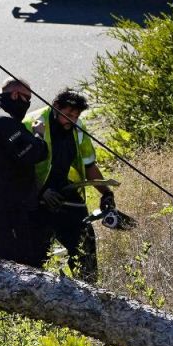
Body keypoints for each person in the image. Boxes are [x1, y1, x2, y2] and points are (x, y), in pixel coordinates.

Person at [25, 89, 113, 282]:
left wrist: (106, 192)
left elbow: (89, 164)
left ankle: (89, 289)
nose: (71, 120)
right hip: (35, 200)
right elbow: (18, 170)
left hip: (65, 192)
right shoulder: (33, 125)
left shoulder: (78, 128)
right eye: (68, 114)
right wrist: (40, 191)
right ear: (56, 108)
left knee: (85, 243)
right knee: (35, 259)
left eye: (76, 116)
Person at [0, 79, 48, 267]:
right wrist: (39, 135)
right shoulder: (4, 121)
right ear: (15, 95)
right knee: (20, 263)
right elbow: (32, 153)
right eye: (27, 99)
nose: (27, 104)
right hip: (8, 205)